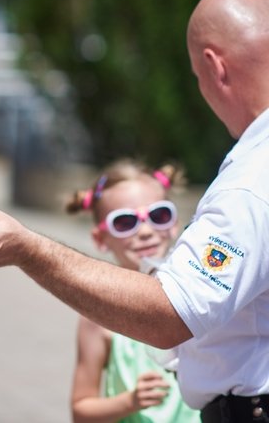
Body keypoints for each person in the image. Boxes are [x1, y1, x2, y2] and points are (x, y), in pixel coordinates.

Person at [0, 0, 269, 423]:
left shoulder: (252, 181)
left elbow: (171, 314)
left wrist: (27, 249)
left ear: (216, 68)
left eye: (198, 79)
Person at [66, 159, 198, 422]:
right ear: (100, 239)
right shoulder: (98, 313)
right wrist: (130, 401)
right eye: (126, 222)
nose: (146, 231)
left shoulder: (199, 293)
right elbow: (81, 410)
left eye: (158, 215)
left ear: (175, 223)